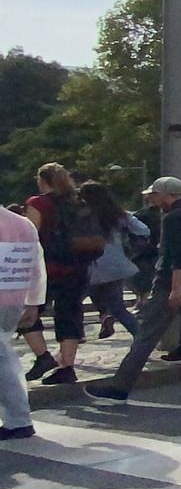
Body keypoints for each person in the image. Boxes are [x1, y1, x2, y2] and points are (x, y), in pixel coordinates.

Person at [87, 176, 181, 401]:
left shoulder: (175, 218)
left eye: (155, 194)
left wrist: (176, 288)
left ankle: (119, 387)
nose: (152, 198)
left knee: (146, 336)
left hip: (173, 285)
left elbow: (178, 255)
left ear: (167, 194)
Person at [20, 163, 92, 385]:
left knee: (24, 313)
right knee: (69, 316)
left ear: (43, 180)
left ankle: (43, 356)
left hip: (46, 268)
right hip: (77, 267)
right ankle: (67, 367)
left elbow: (31, 238)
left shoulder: (37, 203)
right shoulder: (78, 202)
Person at [77, 181, 144, 340]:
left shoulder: (80, 215)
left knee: (72, 302)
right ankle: (142, 339)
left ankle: (75, 336)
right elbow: (143, 230)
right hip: (116, 266)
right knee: (119, 308)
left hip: (89, 265)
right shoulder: (118, 214)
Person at [0, 202, 44, 438]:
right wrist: (33, 302)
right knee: (4, 359)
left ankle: (18, 419)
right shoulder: (22, 224)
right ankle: (18, 418)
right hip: (13, 300)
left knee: (3, 362)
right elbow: (36, 266)